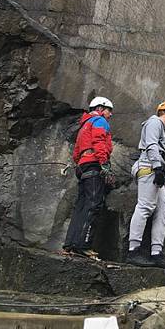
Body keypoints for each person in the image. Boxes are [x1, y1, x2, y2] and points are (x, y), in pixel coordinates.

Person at [127, 101, 165, 268]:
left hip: (155, 168)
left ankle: (156, 254)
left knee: (164, 210)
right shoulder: (154, 122)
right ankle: (133, 251)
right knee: (145, 206)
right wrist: (158, 168)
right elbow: (151, 145)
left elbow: (157, 150)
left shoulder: (159, 127)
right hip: (148, 167)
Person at [63, 96, 114, 259]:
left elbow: (77, 152)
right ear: (100, 109)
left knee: (81, 206)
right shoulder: (99, 121)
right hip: (94, 164)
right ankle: (83, 245)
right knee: (94, 204)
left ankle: (70, 244)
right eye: (108, 110)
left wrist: (80, 163)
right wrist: (104, 163)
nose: (110, 115)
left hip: (83, 167)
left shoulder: (84, 125)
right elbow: (99, 141)